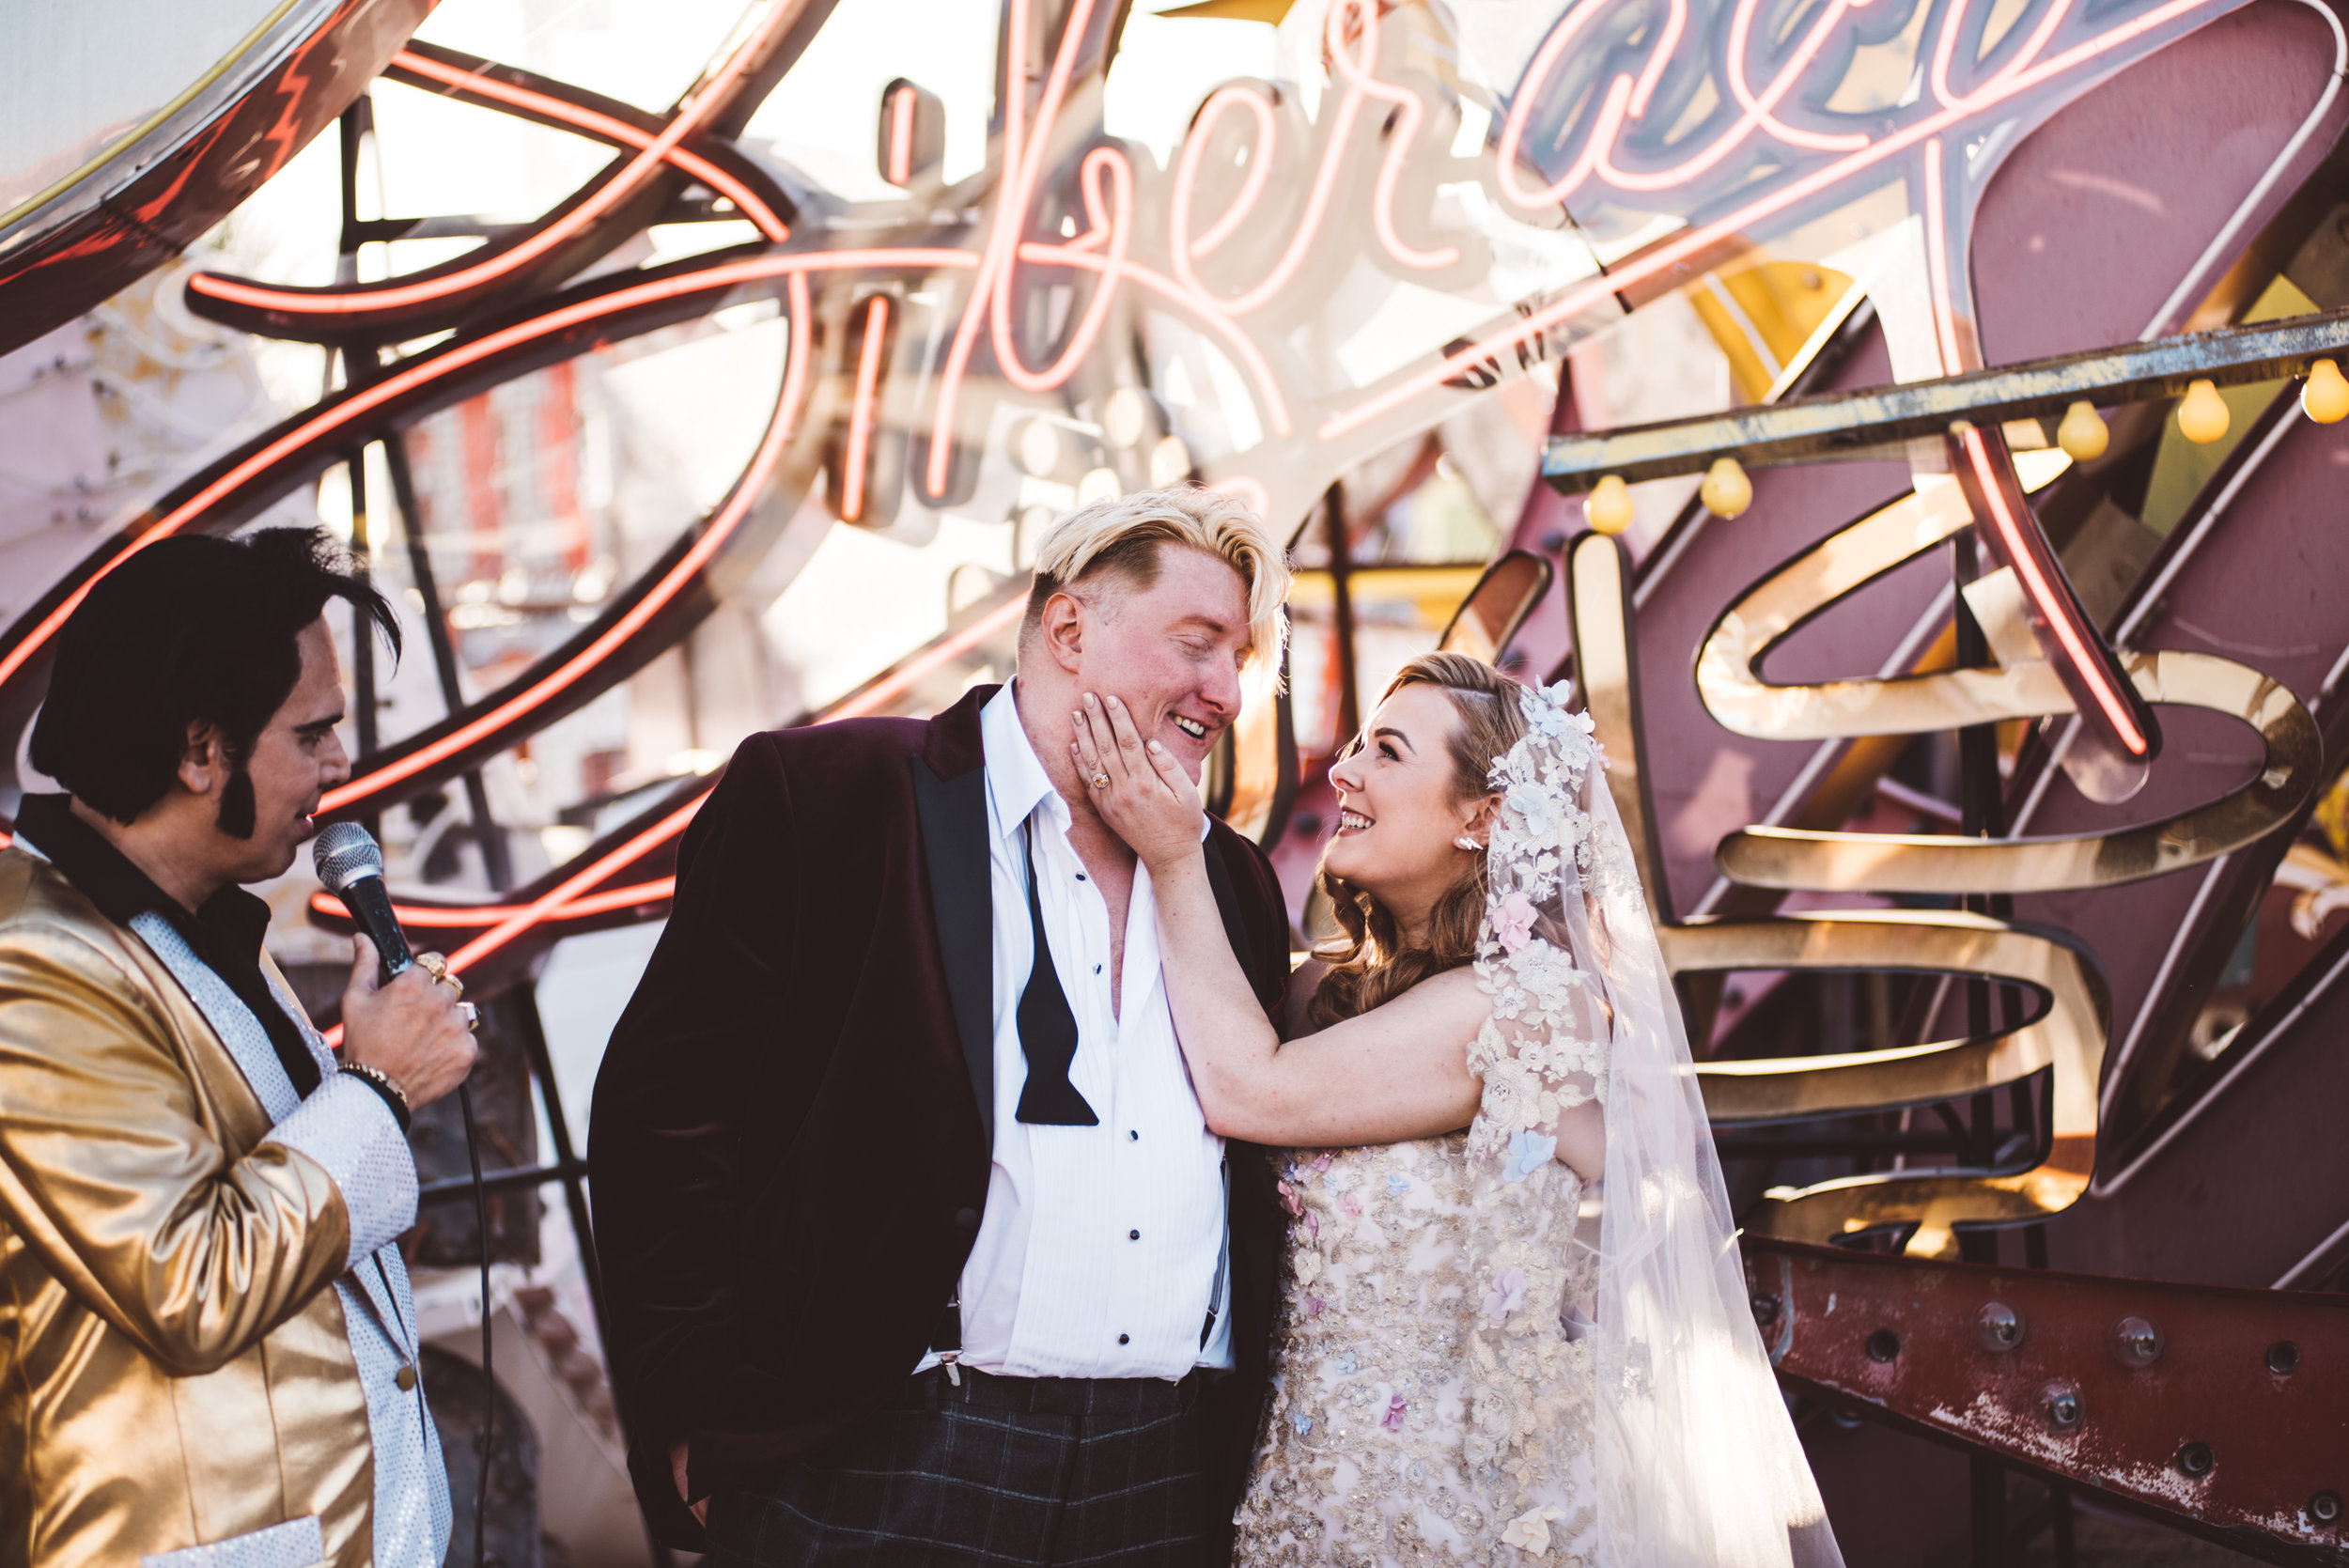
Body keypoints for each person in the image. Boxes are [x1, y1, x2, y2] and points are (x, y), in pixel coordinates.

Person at [590, 486, 1297, 1564]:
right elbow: (667, 1121)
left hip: (1163, 1466)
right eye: (1197, 646)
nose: (1224, 692)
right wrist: (696, 1416)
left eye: (1237, 659)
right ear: (1069, 627)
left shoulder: (1228, 881)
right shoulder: (832, 797)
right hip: (884, 1445)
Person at [1076, 650, 1845, 1568]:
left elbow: (1252, 1089)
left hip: (1466, 1520)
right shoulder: (1319, 990)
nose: (1343, 770)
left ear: (1483, 816)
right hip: (1295, 1500)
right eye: (1356, 742)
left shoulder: (1522, 1005)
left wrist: (1173, 855)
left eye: (1386, 752)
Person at [0, 528, 478, 1568]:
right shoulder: (30, 960)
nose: (339, 764)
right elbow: (192, 1281)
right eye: (311, 733)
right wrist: (380, 1083)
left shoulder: (193, 918)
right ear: (201, 749)